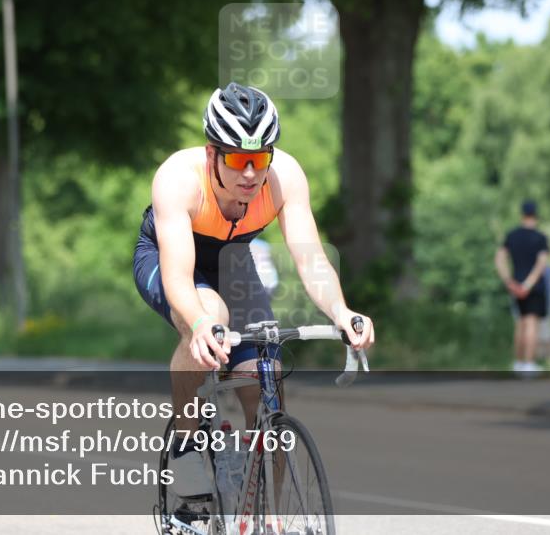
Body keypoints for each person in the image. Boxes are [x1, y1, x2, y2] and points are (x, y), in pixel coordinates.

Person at [132, 82, 375, 497]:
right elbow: (179, 276)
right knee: (211, 319)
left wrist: (341, 311)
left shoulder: (285, 178)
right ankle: (186, 447)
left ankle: (266, 516)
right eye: (238, 159)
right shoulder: (178, 179)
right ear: (212, 153)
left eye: (259, 158)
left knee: (267, 377)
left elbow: (311, 260)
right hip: (167, 257)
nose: (250, 173)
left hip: (233, 262)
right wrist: (200, 321)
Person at [494, 200, 550, 374]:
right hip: (533, 287)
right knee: (532, 323)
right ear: (536, 216)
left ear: (522, 215)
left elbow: (499, 259)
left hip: (515, 284)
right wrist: (528, 285)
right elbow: (541, 265)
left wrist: (509, 281)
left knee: (520, 323)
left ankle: (518, 362)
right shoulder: (541, 238)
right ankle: (529, 363)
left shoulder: (512, 236)